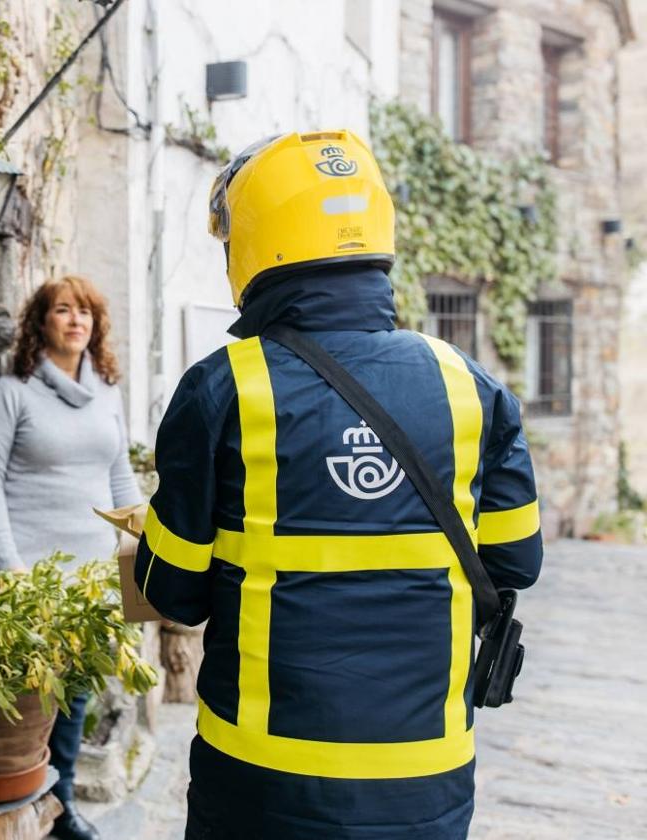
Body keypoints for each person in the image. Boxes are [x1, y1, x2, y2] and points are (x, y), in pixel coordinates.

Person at [135, 130, 543, 840]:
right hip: (426, 782)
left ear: (256, 245)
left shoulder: (224, 388)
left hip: (263, 785)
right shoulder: (469, 387)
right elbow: (516, 564)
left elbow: (172, 593)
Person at [0, 275, 141, 840]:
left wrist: (137, 570)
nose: (75, 321)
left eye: (85, 313)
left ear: (95, 327)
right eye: (63, 311)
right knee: (26, 699)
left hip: (91, 578)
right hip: (29, 574)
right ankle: (23, 806)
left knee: (74, 696)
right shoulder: (13, 391)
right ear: (40, 323)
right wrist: (9, 563)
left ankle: (62, 805)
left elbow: (120, 477)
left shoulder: (108, 393)